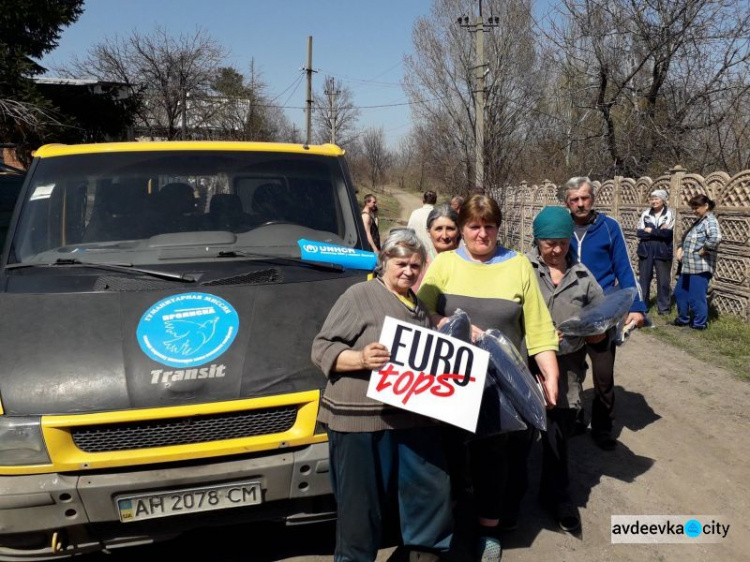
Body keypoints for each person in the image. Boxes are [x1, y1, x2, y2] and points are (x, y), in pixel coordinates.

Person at [418, 194, 559, 560]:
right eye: (474, 227)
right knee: (446, 455)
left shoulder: (517, 266)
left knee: (494, 458)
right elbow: (420, 309)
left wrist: (550, 373)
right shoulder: (445, 264)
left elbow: (539, 327)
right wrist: (441, 321)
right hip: (447, 380)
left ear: (499, 228)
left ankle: (488, 531)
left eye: (489, 226)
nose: (482, 234)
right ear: (462, 229)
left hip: (499, 384)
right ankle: (443, 527)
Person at [311, 230, 452, 562]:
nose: (408, 271)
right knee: (360, 508)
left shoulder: (418, 307)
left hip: (408, 418)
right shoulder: (359, 294)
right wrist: (360, 359)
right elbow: (321, 348)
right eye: (401, 263)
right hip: (358, 420)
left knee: (430, 492)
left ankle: (422, 555)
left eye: (415, 265)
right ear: (384, 261)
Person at [526, 206, 605, 533]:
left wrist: (585, 330)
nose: (556, 250)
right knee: (515, 437)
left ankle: (557, 496)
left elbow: (601, 329)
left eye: (561, 242)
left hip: (567, 370)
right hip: (525, 365)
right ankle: (504, 500)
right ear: (537, 241)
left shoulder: (584, 278)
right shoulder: (522, 268)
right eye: (548, 243)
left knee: (557, 437)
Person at [565, 176, 646, 451]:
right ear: (567, 202)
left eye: (585, 198)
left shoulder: (609, 227)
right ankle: (574, 418)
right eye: (574, 199)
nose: (580, 203)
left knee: (603, 373)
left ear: (593, 199)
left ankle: (602, 427)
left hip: (603, 313)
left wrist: (636, 307)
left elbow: (624, 267)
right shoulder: (561, 227)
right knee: (570, 371)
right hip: (570, 311)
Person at [673, 194, 722, 330]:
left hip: (700, 266)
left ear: (706, 206)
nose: (694, 211)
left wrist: (705, 248)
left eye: (696, 207)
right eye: (692, 208)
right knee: (680, 293)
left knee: (696, 297)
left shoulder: (710, 220)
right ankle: (683, 319)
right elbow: (688, 239)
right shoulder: (699, 221)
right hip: (688, 266)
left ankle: (699, 324)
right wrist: (681, 248)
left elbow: (716, 238)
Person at [637, 189, 675, 315]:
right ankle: (642, 307)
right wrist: (658, 231)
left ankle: (663, 308)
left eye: (656, 198)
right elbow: (639, 232)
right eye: (652, 199)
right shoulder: (645, 214)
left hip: (663, 249)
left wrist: (651, 231)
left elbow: (668, 234)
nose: (653, 201)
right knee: (644, 279)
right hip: (646, 249)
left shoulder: (670, 214)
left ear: (663, 200)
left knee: (663, 280)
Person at [407, 190, 437, 259]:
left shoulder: (415, 213)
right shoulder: (438, 214)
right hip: (432, 254)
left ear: (423, 200)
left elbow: (408, 232)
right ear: (435, 201)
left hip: (416, 251)